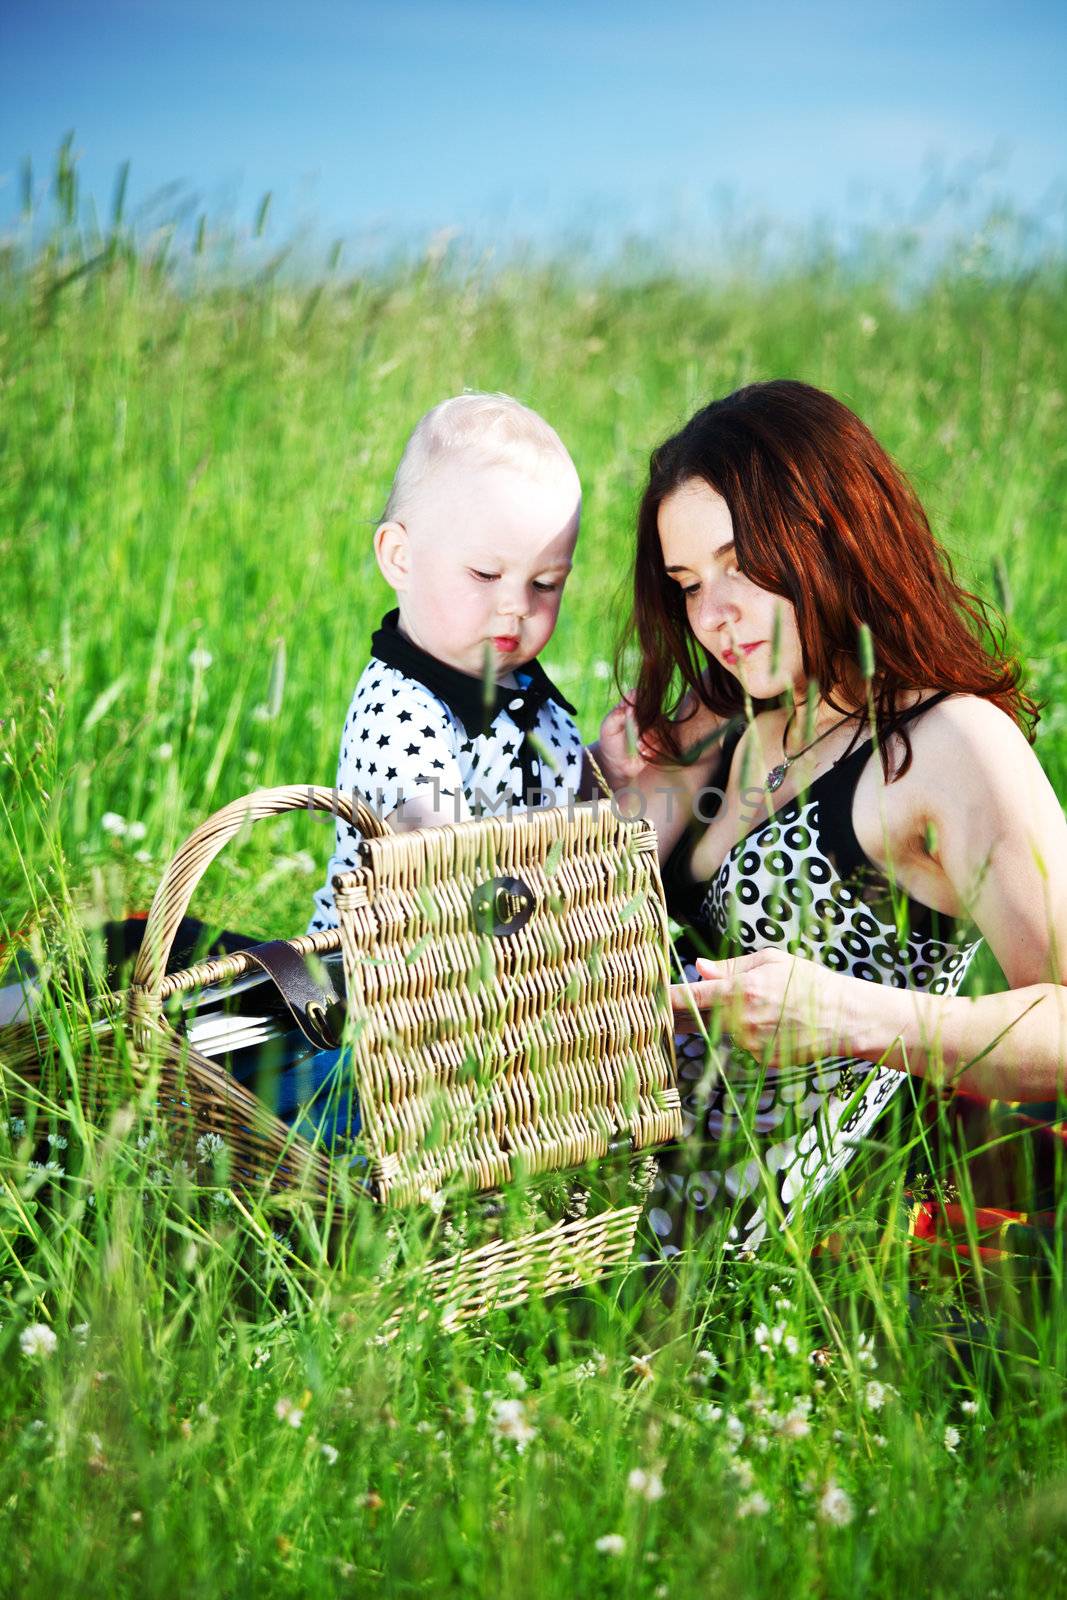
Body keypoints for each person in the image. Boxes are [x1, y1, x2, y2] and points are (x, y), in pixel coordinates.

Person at [595, 379, 1067, 1255]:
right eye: (689, 583)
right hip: (577, 1166)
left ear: (833, 535)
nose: (713, 616)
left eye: (738, 566)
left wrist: (850, 1016)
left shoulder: (944, 742)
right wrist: (609, 786)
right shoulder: (725, 719)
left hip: (746, 1255)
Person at [308, 391, 588, 934]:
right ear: (400, 557)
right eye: (486, 574)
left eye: (546, 584)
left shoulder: (531, 697)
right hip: (386, 974)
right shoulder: (398, 711)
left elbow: (571, 826)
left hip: (515, 969)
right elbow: (439, 864)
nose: (517, 605)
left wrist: (611, 774)